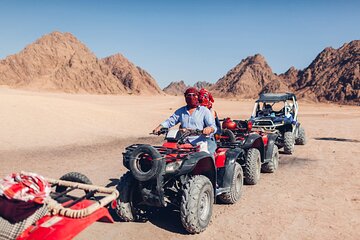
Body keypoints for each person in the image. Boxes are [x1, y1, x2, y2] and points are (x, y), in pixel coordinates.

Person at [153, 87, 217, 154]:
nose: (191, 97)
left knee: (205, 157)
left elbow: (213, 126)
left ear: (198, 97)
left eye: (194, 95)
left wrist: (209, 129)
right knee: (168, 154)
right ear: (185, 97)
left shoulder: (204, 111)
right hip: (183, 142)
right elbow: (170, 121)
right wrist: (160, 127)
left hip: (200, 143)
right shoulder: (181, 111)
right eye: (188, 95)